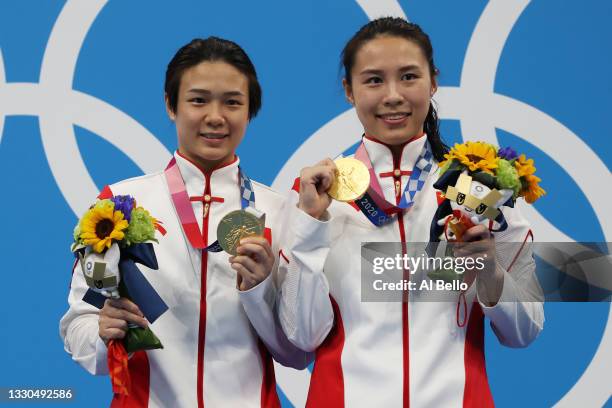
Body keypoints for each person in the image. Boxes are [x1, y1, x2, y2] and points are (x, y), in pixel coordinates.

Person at [276, 17, 544, 407]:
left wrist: (490, 273)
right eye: (373, 81)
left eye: (408, 77)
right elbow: (300, 337)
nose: (393, 95)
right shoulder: (316, 197)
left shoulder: (480, 191)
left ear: (433, 82)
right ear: (349, 91)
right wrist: (311, 229)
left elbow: (525, 331)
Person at [60, 37, 311, 408]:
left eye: (232, 102)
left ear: (249, 111)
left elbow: (296, 354)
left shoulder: (279, 212)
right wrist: (103, 337)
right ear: (170, 104)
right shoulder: (117, 208)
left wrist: (259, 292)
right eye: (198, 100)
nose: (215, 116)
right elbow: (78, 323)